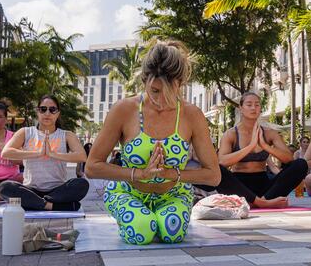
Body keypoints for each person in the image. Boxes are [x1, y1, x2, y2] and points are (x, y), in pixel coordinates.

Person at [85, 40, 221, 245]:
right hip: (129, 192)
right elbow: (92, 167)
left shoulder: (191, 114)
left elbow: (213, 175)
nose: (160, 100)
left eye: (169, 92)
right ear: (145, 80)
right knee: (142, 229)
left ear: (180, 83)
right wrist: (140, 174)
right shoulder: (124, 110)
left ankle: (157, 220)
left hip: (173, 194)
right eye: (155, 91)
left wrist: (171, 174)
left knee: (172, 232)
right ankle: (144, 219)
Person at [198, 92, 308, 208]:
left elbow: (289, 159)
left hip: (264, 186)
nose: (253, 108)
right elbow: (222, 162)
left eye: (257, 105)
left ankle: (261, 201)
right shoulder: (231, 134)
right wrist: (250, 147)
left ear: (260, 108)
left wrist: (265, 146)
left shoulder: (269, 133)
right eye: (249, 104)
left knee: (301, 164)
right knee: (217, 170)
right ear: (241, 108)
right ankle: (262, 203)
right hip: (239, 187)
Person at [0, 95, 89, 211]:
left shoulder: (67, 135)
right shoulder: (25, 132)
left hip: (57, 191)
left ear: (58, 113)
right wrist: (38, 153)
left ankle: (36, 203)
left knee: (82, 184)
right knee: (5, 187)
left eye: (52, 110)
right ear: (37, 112)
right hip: (31, 190)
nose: (47, 113)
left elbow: (82, 156)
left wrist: (53, 154)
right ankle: (50, 205)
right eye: (43, 109)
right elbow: (6, 152)